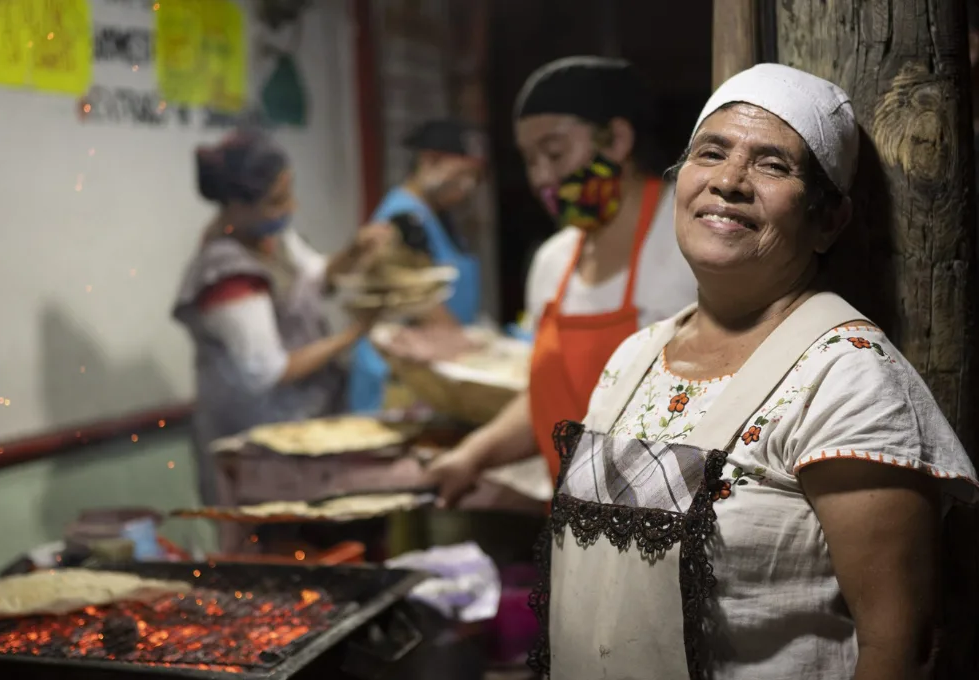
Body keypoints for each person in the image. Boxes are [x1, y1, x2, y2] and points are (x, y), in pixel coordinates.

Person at [529, 63, 979, 680]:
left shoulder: (848, 380)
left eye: (773, 165)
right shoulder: (634, 358)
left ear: (828, 221)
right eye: (710, 152)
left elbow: (901, 647)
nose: (729, 182)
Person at [425, 57, 697, 505]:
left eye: (554, 153)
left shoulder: (689, 240)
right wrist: (473, 455)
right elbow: (547, 397)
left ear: (619, 140)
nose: (541, 178)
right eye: (529, 160)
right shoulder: (553, 262)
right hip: (577, 537)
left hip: (671, 533)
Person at [173, 129, 394, 504]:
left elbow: (316, 280)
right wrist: (356, 331)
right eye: (277, 200)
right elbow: (268, 371)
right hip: (256, 444)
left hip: (304, 424)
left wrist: (353, 251)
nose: (291, 207)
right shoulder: (227, 274)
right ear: (237, 206)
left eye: (290, 192)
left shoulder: (271, 238)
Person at [347, 119, 487, 413]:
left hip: (433, 360)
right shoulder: (402, 218)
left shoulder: (436, 214)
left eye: (474, 178)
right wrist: (471, 350)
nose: (467, 187)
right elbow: (415, 298)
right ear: (429, 161)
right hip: (398, 374)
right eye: (461, 175)